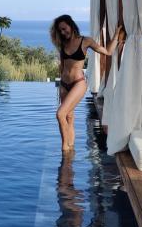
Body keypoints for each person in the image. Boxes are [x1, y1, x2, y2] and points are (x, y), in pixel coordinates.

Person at [50, 14, 120, 152]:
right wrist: (60, 85)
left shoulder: (85, 41)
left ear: (71, 25)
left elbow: (107, 51)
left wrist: (117, 35)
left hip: (78, 83)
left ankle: (64, 149)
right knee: (68, 117)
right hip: (64, 84)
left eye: (64, 29)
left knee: (60, 114)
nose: (63, 32)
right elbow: (62, 65)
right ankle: (70, 148)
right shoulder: (63, 43)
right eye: (60, 31)